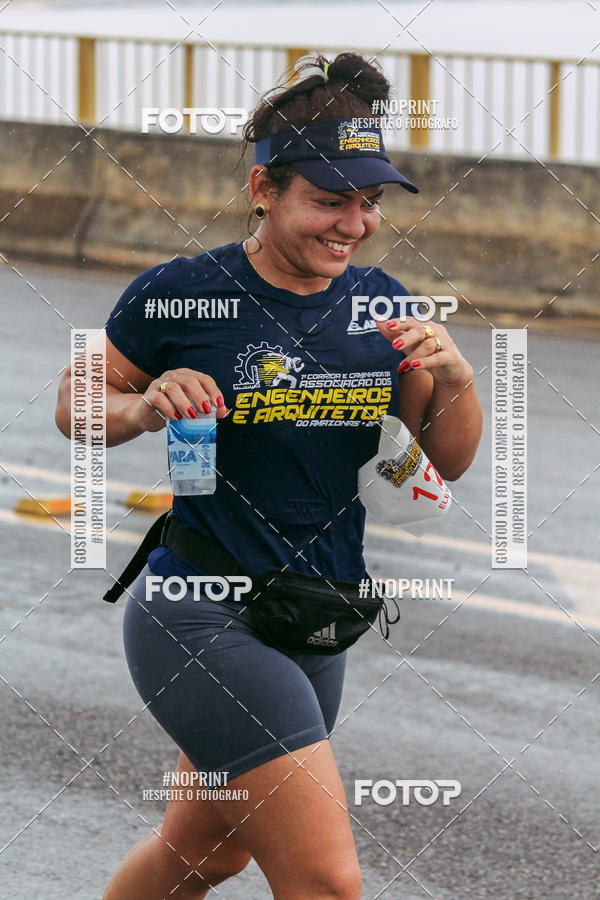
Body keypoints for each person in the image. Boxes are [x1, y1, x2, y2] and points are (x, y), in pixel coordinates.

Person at [55, 52, 482, 899]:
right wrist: (143, 409)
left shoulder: (381, 304)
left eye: (367, 204)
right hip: (200, 614)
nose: (353, 225)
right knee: (327, 882)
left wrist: (459, 382)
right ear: (264, 188)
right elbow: (76, 403)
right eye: (328, 201)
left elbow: (447, 463)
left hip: (316, 616)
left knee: (203, 856)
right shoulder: (182, 293)